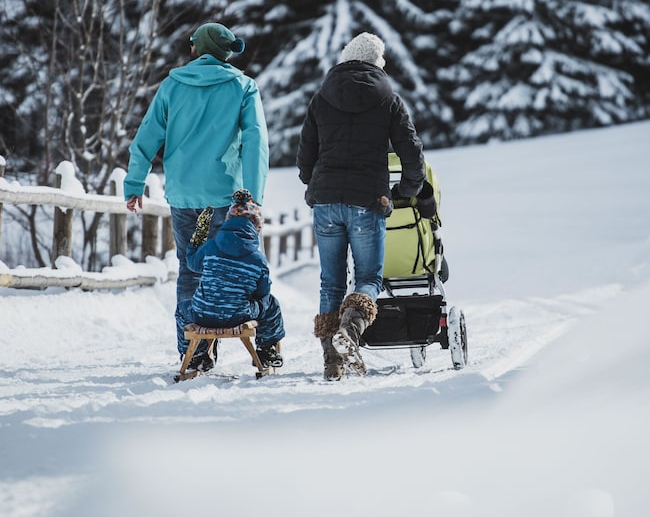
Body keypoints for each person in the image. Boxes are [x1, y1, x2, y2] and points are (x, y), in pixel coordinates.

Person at [124, 22, 269, 365]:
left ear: (196, 48)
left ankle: (194, 351)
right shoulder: (243, 86)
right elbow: (256, 143)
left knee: (190, 271)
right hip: (227, 201)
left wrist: (134, 183)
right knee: (244, 266)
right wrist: (253, 197)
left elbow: (147, 137)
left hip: (185, 198)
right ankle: (264, 343)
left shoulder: (172, 85)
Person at [297, 32, 426, 380]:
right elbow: (411, 151)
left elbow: (305, 152)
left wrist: (313, 183)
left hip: (326, 202)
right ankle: (350, 331)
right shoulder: (388, 100)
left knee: (331, 282)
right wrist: (407, 189)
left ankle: (332, 361)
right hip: (368, 201)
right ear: (377, 63)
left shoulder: (321, 98)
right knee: (368, 277)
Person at [176, 189, 285, 371]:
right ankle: (266, 349)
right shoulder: (257, 259)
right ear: (257, 227)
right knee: (271, 304)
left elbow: (192, 264)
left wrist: (198, 236)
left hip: (203, 314)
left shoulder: (211, 247)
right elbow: (262, 293)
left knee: (181, 310)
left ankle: (197, 354)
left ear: (228, 221)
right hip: (238, 316)